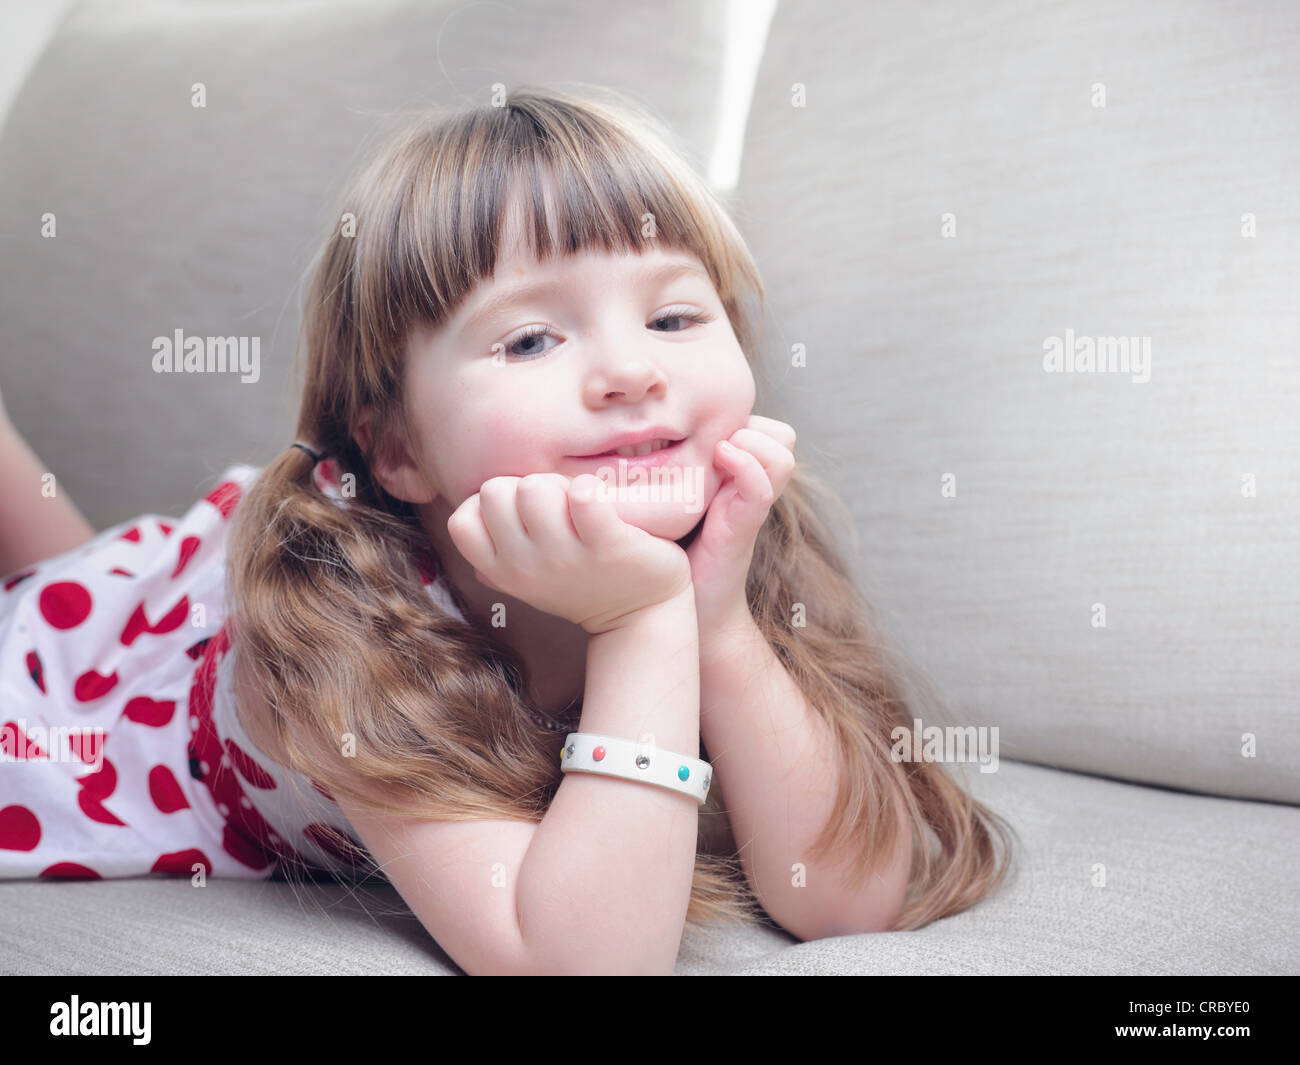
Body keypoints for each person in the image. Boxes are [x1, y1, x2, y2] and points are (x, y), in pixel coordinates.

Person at [0, 85, 1016, 974]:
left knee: (67, 566)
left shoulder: (747, 540)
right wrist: (637, 622)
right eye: (530, 337)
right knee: (44, 604)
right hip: (88, 677)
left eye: (673, 320)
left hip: (149, 594)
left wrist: (716, 625)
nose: (633, 370)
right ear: (396, 448)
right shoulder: (329, 626)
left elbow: (847, 900)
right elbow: (575, 961)